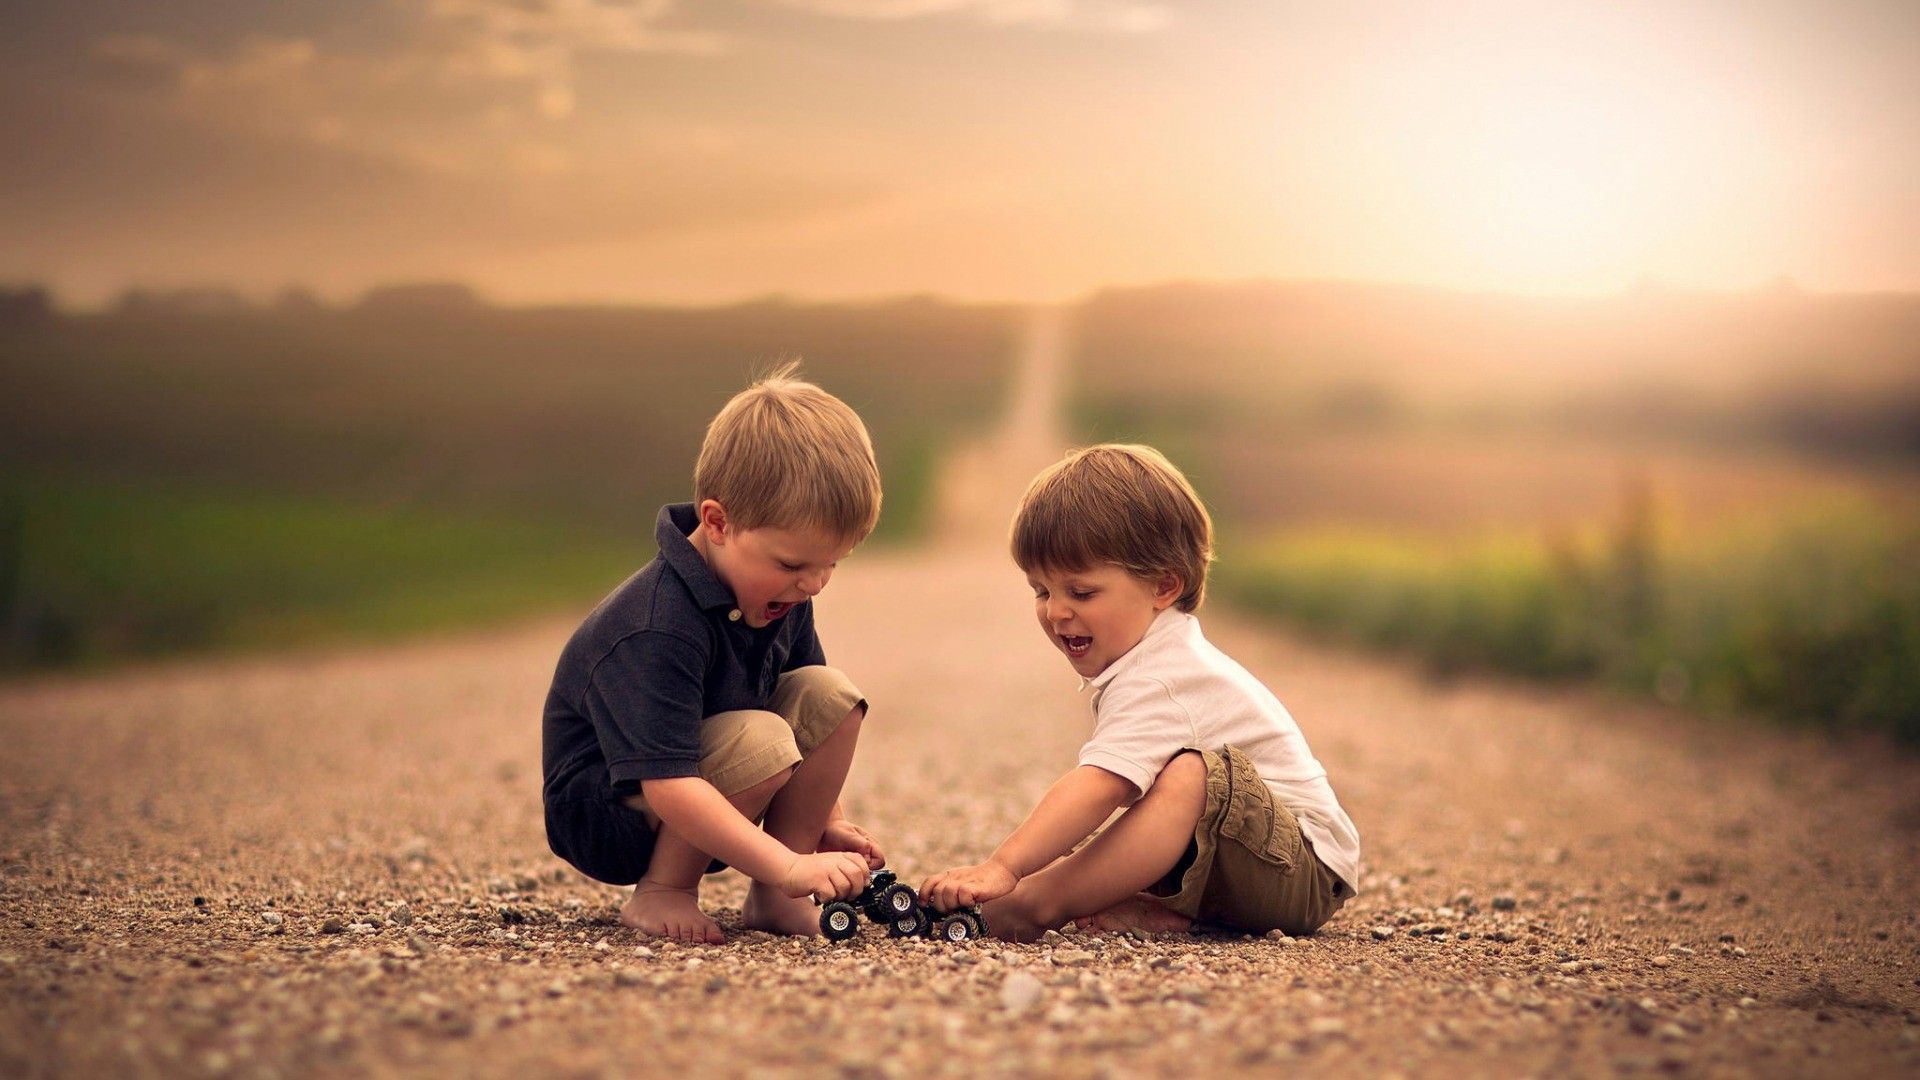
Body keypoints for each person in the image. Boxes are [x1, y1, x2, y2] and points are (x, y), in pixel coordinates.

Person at [921, 444, 1360, 940]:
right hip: (1250, 862)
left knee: (1191, 777)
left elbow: (1102, 783)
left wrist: (1006, 867)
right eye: (1041, 591)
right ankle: (1170, 911)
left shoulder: (1162, 677)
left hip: (1302, 870)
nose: (1056, 612)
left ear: (1163, 587)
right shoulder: (1153, 655)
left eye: (1081, 592)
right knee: (1174, 784)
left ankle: (1040, 903)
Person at [542, 363, 884, 944]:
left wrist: (827, 822)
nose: (815, 583)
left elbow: (812, 710)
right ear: (718, 523)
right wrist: (788, 860)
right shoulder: (657, 623)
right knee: (762, 740)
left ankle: (777, 897)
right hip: (613, 810)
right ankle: (664, 891)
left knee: (833, 695)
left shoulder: (778, 593)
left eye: (833, 563)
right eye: (795, 564)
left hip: (710, 776)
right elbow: (669, 783)